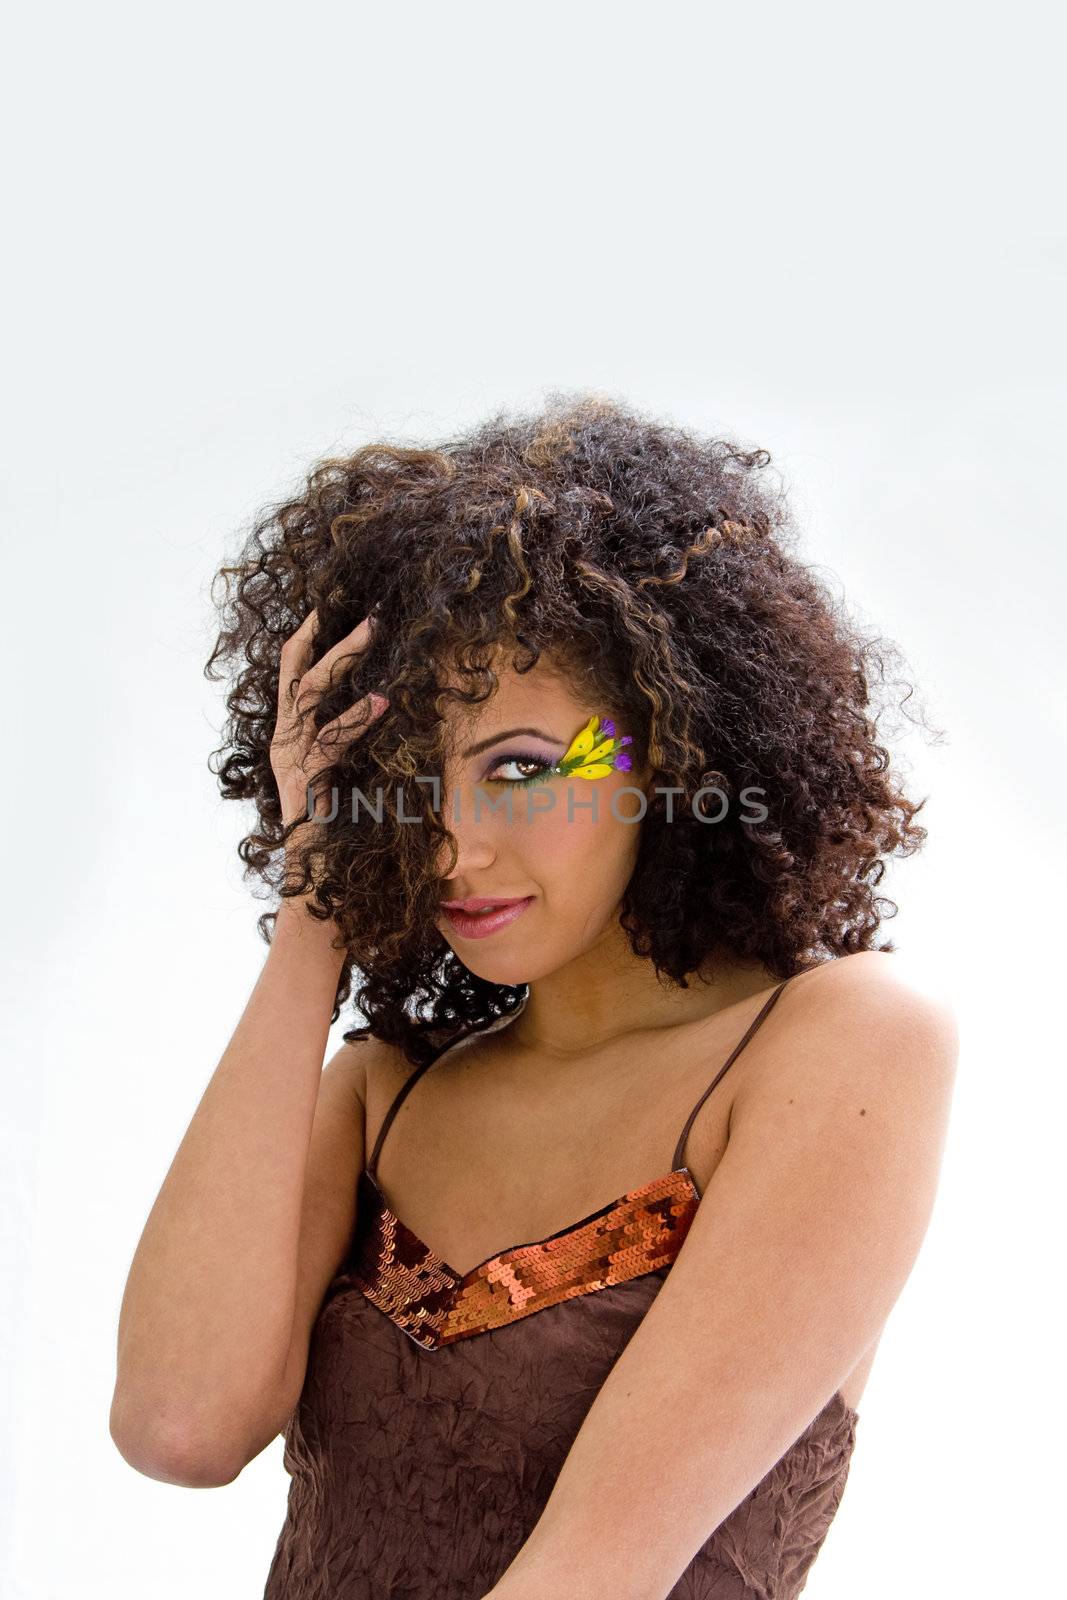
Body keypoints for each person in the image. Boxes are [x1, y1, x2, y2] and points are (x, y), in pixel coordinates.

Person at [110, 394, 959, 1599]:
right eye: (407, 778)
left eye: (520, 767)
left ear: (663, 744)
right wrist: (317, 899)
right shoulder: (378, 1098)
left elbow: (594, 1573)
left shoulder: (837, 1046)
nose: (453, 846)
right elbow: (177, 1425)